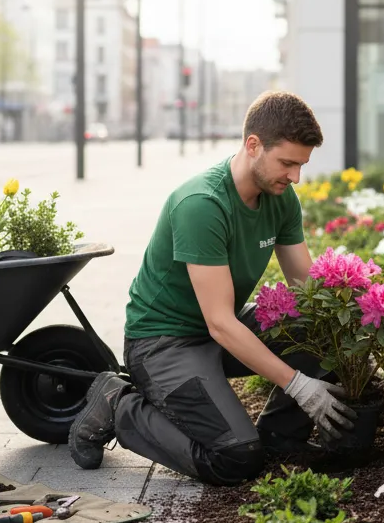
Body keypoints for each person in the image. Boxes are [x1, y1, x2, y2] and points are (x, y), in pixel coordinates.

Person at [68, 91, 355, 486]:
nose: (295, 178)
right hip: (163, 343)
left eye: (301, 165)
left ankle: (281, 440)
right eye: (287, 163)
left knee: (318, 330)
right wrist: (299, 385)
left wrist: (355, 342)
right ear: (253, 145)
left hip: (218, 330)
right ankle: (119, 405)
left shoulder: (281, 198)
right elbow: (220, 323)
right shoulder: (202, 204)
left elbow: (307, 288)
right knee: (234, 457)